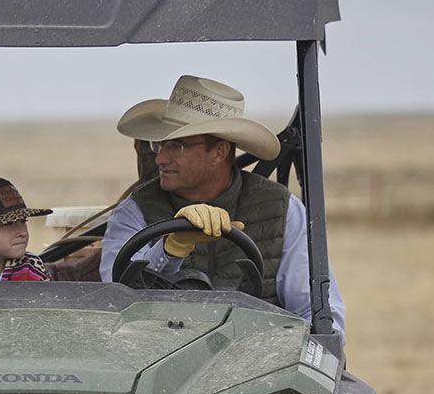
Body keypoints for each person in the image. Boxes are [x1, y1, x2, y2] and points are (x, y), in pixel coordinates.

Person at [99, 75, 345, 334]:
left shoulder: (283, 210)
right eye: (159, 145)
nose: (160, 158)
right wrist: (169, 250)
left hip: (257, 365)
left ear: (219, 152)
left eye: (176, 146)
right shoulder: (133, 211)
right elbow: (117, 299)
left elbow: (318, 316)